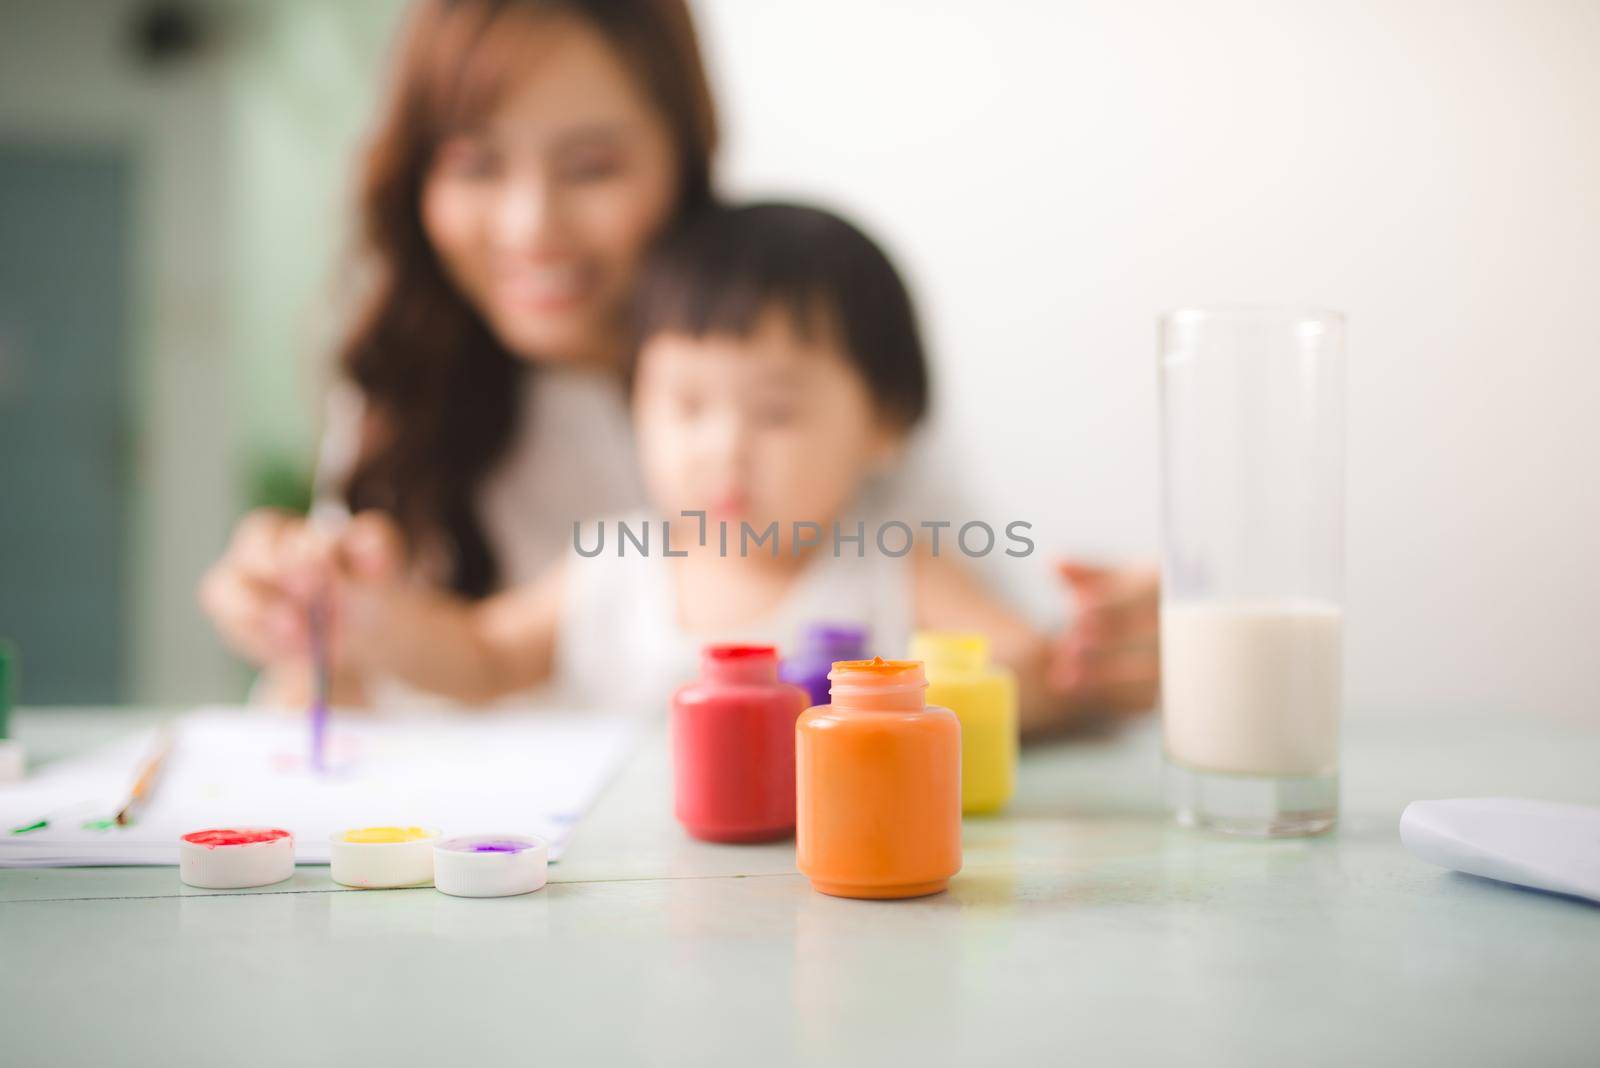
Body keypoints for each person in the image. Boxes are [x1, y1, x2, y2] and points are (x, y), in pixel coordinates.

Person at [197, 0, 1158, 727]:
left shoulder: (826, 369)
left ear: (684, 159)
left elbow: (1019, 668)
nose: (531, 227)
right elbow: (457, 660)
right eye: (477, 165)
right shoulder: (410, 386)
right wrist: (319, 618)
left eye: (591, 167)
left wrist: (1110, 658)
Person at [322, 203, 1148, 735]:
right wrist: (369, 619)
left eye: (776, 412)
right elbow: (482, 656)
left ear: (884, 426)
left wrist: (1075, 655)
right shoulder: (618, 569)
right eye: (685, 406)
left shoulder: (892, 569)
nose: (724, 447)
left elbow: (1019, 670)